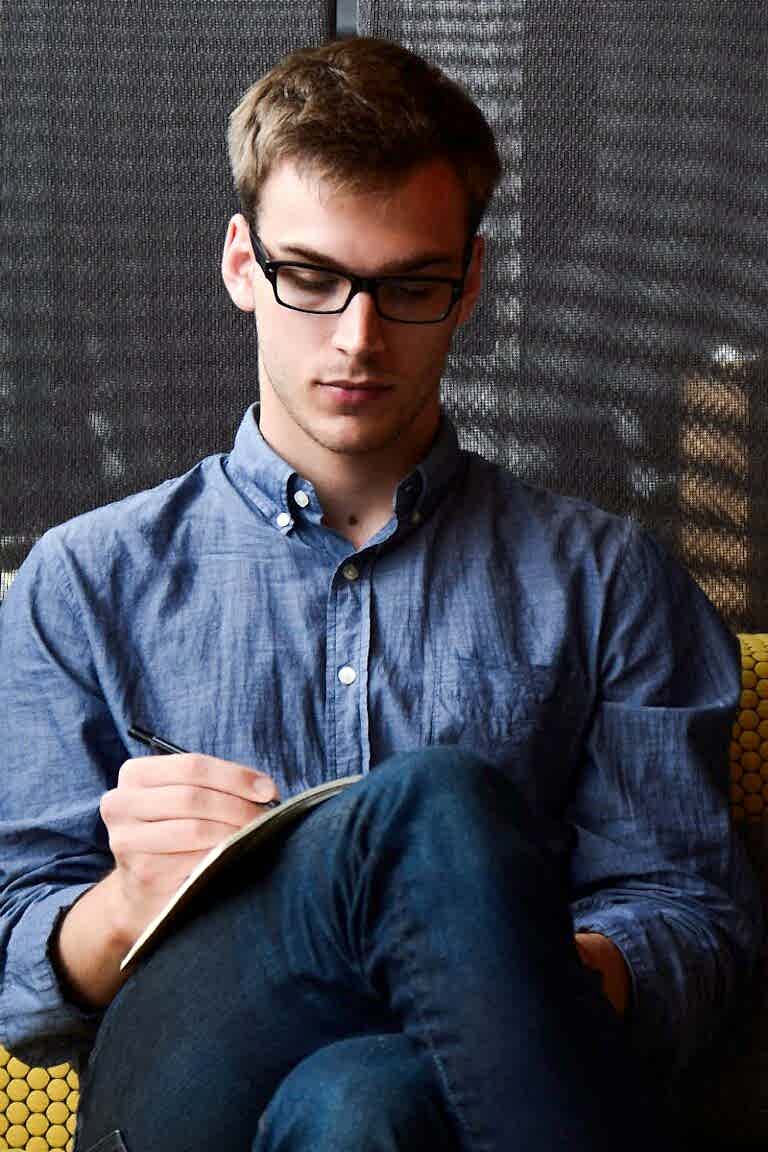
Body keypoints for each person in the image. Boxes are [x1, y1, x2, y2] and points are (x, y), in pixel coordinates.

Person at [0, 36, 760, 1152]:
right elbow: (15, 975)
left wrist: (496, 970)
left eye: (408, 287)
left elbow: (696, 927)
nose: (357, 340)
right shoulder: (83, 580)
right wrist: (122, 901)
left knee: (366, 1102)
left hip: (443, 1092)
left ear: (471, 284)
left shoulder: (609, 581)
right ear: (242, 266)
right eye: (311, 278)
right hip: (179, 1095)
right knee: (431, 806)